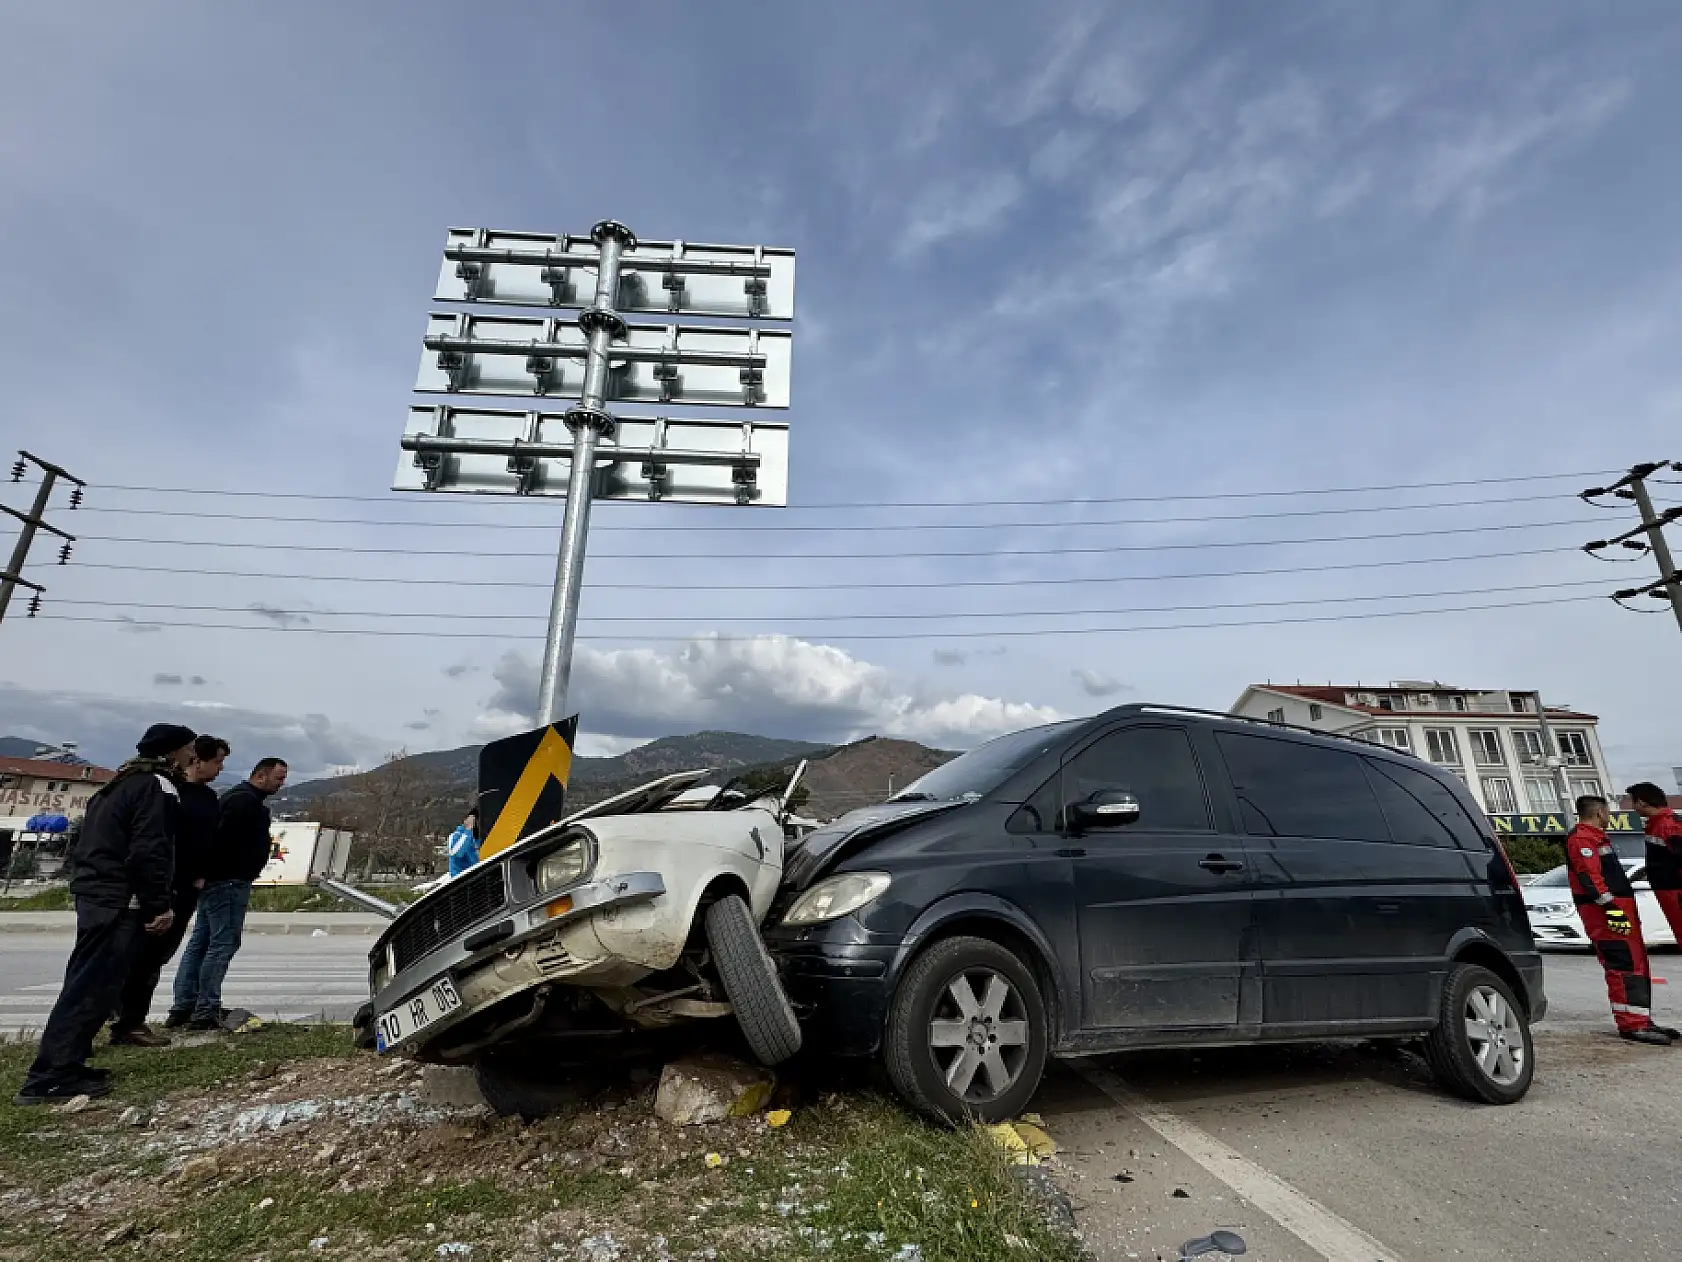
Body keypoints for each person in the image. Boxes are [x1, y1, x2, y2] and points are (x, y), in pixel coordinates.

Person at [14, 723, 195, 1104]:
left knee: (91, 982)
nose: (192, 757)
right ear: (173, 752)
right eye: (188, 750)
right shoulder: (157, 787)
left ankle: (70, 1062)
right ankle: (50, 1076)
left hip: (96, 892)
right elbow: (150, 850)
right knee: (93, 986)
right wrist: (158, 904)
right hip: (118, 898)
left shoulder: (117, 785)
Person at [109, 735, 229, 1047]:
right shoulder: (166, 791)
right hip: (161, 886)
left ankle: (131, 1019)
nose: (219, 768)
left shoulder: (208, 797)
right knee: (137, 954)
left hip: (189, 887)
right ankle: (122, 1018)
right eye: (216, 761)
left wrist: (203, 873)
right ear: (196, 760)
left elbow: (208, 839)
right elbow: (153, 842)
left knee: (159, 955)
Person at [168, 756, 288, 1031]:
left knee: (201, 942)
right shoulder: (243, 802)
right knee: (222, 944)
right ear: (261, 776)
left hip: (221, 879)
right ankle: (205, 1009)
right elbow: (217, 839)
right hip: (229, 881)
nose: (282, 784)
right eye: (279, 778)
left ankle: (184, 1005)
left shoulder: (242, 800)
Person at [1566, 794, 1675, 1045]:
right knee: (1622, 966)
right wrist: (1611, 908)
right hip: (1606, 914)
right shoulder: (1582, 838)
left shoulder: (1595, 838)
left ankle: (1642, 1019)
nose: (1609, 817)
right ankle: (1631, 1024)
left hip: (1617, 910)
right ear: (1599, 813)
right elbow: (1590, 878)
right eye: (1607, 812)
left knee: (1635, 965)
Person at [1626, 781, 1682, 948]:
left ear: (1642, 802)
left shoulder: (1669, 825)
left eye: (1633, 802)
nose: (1633, 808)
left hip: (1676, 893)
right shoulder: (1656, 824)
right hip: (1670, 893)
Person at [447, 809, 480, 877]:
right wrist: (468, 830)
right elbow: (457, 853)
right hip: (461, 881)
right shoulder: (455, 836)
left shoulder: (477, 839)